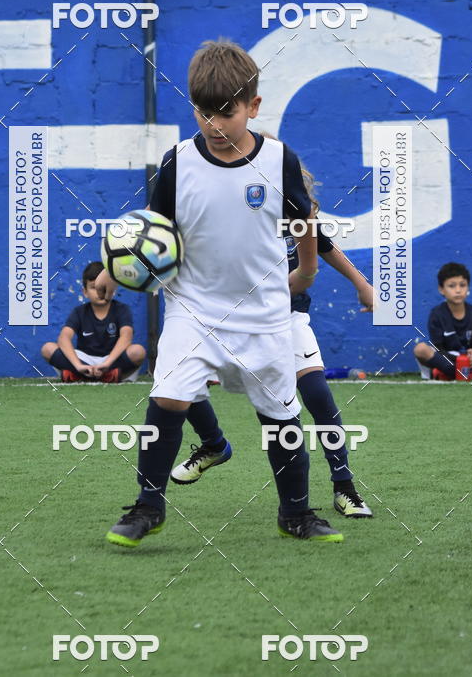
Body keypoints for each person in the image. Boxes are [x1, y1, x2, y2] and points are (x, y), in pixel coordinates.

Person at [100, 38, 344, 547]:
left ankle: (295, 513)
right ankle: (148, 506)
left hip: (265, 317)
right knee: (166, 399)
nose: (213, 124)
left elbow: (304, 221)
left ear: (252, 107)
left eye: (225, 113)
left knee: (281, 416)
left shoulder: (277, 159)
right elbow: (154, 228)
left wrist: (307, 271)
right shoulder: (178, 161)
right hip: (194, 311)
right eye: (203, 112)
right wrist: (111, 272)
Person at [172, 160, 374, 518]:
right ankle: (214, 445)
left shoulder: (295, 211)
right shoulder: (227, 212)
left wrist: (362, 285)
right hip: (234, 320)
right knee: (178, 381)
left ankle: (344, 488)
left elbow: (325, 248)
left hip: (288, 320)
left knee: (317, 396)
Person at [41, 261, 145, 383]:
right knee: (47, 348)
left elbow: (126, 337)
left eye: (104, 287)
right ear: (85, 292)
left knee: (138, 351)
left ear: (112, 289)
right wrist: (78, 366)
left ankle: (83, 376)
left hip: (111, 359)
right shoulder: (79, 312)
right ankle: (95, 375)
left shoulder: (121, 309)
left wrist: (107, 363)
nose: (99, 292)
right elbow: (64, 338)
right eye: (94, 288)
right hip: (84, 360)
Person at [413, 262, 472, 380]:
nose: (458, 290)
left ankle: (451, 374)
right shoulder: (437, 314)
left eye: (462, 285)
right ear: (441, 289)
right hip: (449, 359)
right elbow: (438, 348)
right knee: (421, 349)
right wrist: (459, 360)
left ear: (468, 287)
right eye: (452, 286)